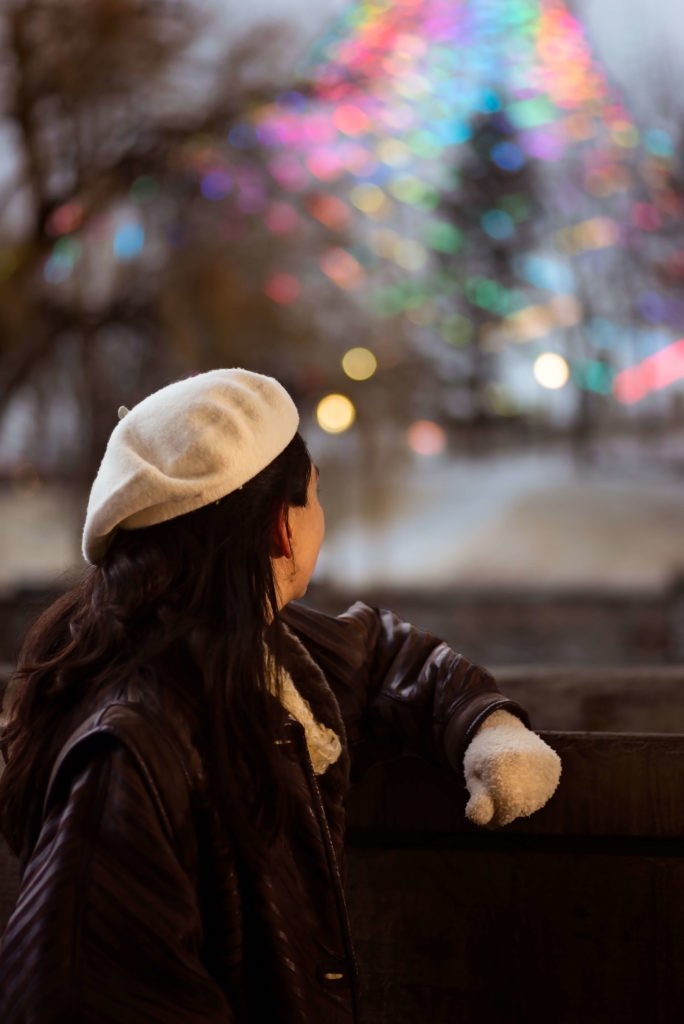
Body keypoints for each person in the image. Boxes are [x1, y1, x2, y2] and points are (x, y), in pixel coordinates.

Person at [0, 368, 561, 1023]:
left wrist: (486, 726)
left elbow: (380, 653)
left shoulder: (253, 651)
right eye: (315, 496)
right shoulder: (127, 753)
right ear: (280, 528)